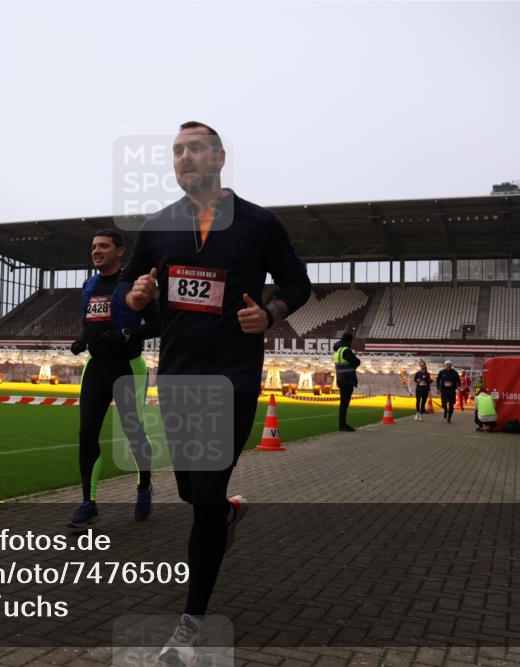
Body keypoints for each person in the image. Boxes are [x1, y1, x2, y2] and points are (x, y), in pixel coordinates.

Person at [119, 121, 310, 666]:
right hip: (177, 378)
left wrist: (270, 313)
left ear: (220, 157)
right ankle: (223, 515)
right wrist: (135, 296)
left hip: (233, 377)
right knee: (191, 492)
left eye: (196, 149)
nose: (185, 158)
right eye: (177, 151)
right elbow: (129, 287)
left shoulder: (258, 223)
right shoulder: (157, 227)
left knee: (204, 496)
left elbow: (298, 283)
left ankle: (191, 623)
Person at [68, 229, 159, 528]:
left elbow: (158, 323)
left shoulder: (134, 284)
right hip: (96, 367)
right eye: (94, 246)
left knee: (134, 433)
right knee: (86, 432)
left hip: (127, 367)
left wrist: (128, 333)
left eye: (104, 246)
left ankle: (144, 485)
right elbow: (91, 322)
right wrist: (82, 340)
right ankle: (88, 502)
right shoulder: (90, 285)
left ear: (120, 251)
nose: (97, 251)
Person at [333, 333, 361, 432]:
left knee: (343, 403)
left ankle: (342, 424)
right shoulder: (346, 350)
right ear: (349, 341)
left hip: (340, 379)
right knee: (345, 404)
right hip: (347, 380)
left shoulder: (337, 351)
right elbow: (357, 362)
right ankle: (343, 425)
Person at [436, 360, 461, 424]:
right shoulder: (442, 372)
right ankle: (445, 410)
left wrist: (458, 386)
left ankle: (449, 417)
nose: (448, 365)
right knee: (444, 404)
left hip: (451, 390)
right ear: (445, 365)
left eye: (449, 364)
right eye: (447, 364)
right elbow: (438, 380)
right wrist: (438, 389)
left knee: (451, 405)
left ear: (451, 365)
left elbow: (458, 381)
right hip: (444, 390)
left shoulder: (454, 372)